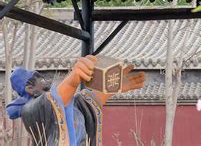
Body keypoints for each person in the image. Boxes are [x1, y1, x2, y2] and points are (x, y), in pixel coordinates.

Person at [5, 55, 145, 146]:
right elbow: (55, 98)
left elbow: (88, 102)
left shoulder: (72, 102)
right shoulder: (31, 110)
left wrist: (113, 86)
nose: (46, 80)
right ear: (30, 88)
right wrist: (72, 81)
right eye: (40, 79)